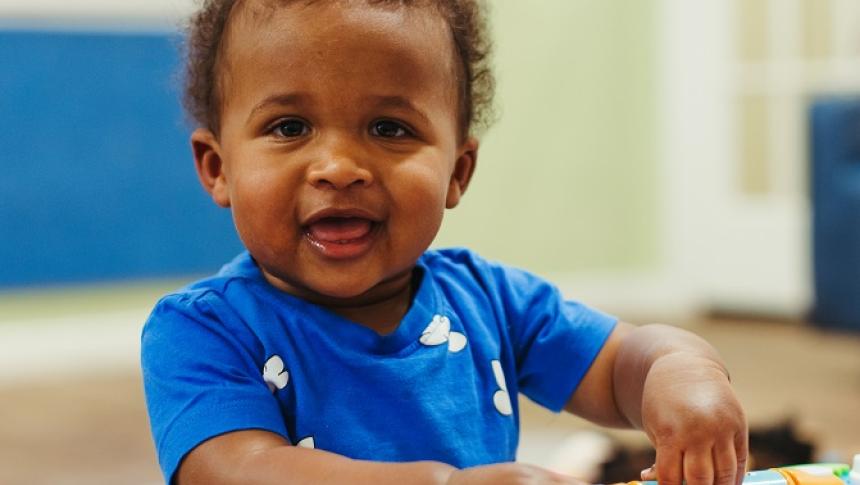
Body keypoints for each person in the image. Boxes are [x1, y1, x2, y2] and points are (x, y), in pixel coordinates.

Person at [140, 0, 748, 484]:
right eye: (289, 127)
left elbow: (621, 362)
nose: (338, 166)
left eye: (389, 128)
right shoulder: (203, 331)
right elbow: (235, 470)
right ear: (218, 166)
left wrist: (682, 371)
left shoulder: (492, 301)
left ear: (457, 171)